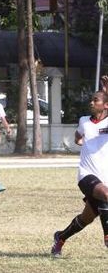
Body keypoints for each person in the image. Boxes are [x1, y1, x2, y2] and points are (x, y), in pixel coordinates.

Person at [51, 75, 108, 257]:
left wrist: (106, 90)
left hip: (104, 178)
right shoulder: (84, 120)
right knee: (106, 194)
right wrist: (79, 140)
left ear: (105, 105)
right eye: (91, 100)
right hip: (86, 175)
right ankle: (107, 237)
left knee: (86, 218)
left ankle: (60, 237)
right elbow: (78, 135)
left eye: (96, 100)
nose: (91, 102)